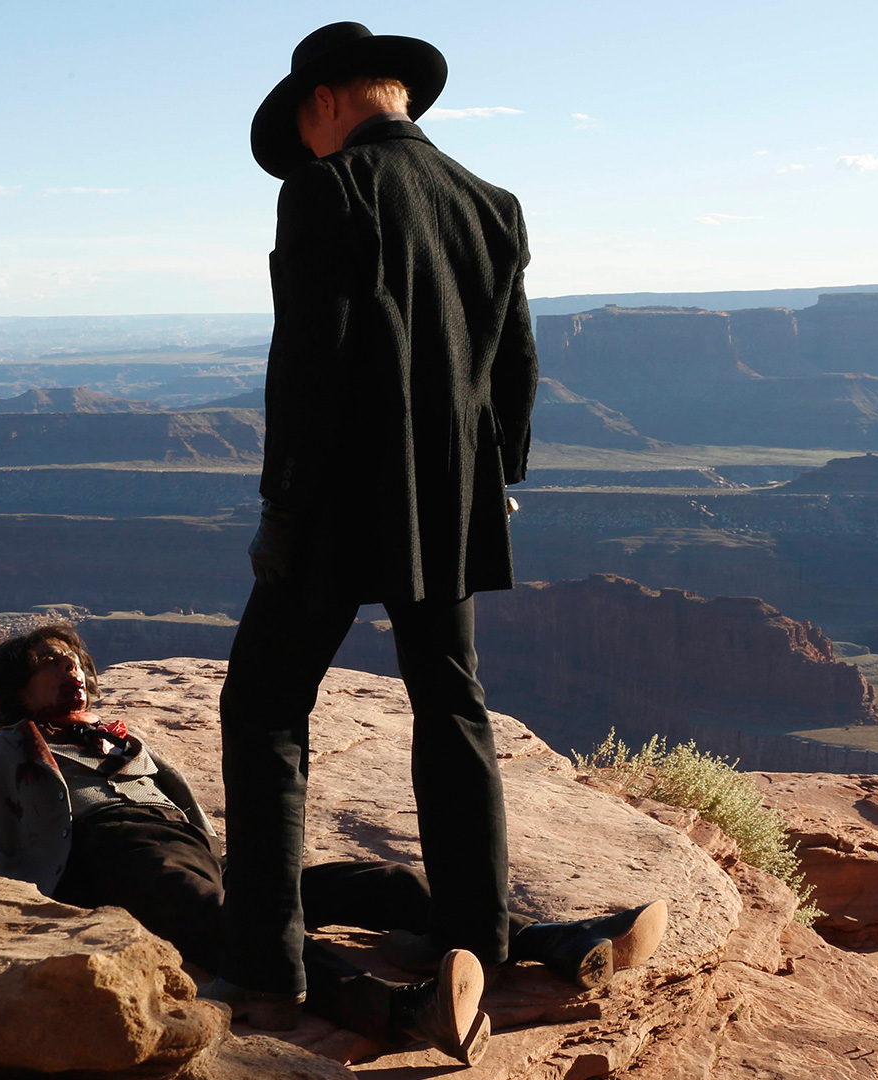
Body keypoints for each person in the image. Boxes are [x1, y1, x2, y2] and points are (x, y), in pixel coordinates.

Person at [0, 626, 668, 1067]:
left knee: (383, 882)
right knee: (261, 936)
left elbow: (187, 815)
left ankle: (554, 941)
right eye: (52, 671)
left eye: (77, 667)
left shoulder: (124, 743)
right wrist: (14, 885)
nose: (73, 677)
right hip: (115, 862)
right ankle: (404, 1013)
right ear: (19, 694)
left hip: (190, 855)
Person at [217, 22, 545, 1020]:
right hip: (448, 503)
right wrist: (502, 479)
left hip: (338, 501)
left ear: (325, 101)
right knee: (452, 705)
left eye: (302, 127)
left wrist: (282, 507)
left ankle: (270, 966)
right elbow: (515, 364)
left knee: (266, 708)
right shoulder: (492, 203)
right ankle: (478, 939)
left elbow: (308, 367)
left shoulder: (327, 189)